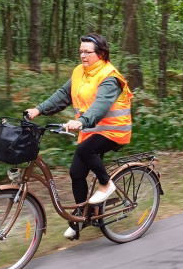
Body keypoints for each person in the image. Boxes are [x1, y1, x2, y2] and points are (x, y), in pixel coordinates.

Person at [25, 34, 132, 239]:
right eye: (80, 51)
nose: (82, 55)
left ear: (100, 53)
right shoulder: (79, 72)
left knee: (85, 150)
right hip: (91, 130)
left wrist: (82, 121)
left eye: (87, 52)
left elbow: (100, 106)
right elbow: (62, 96)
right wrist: (38, 110)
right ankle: (81, 218)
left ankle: (106, 184)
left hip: (114, 129)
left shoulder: (110, 76)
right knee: (76, 172)